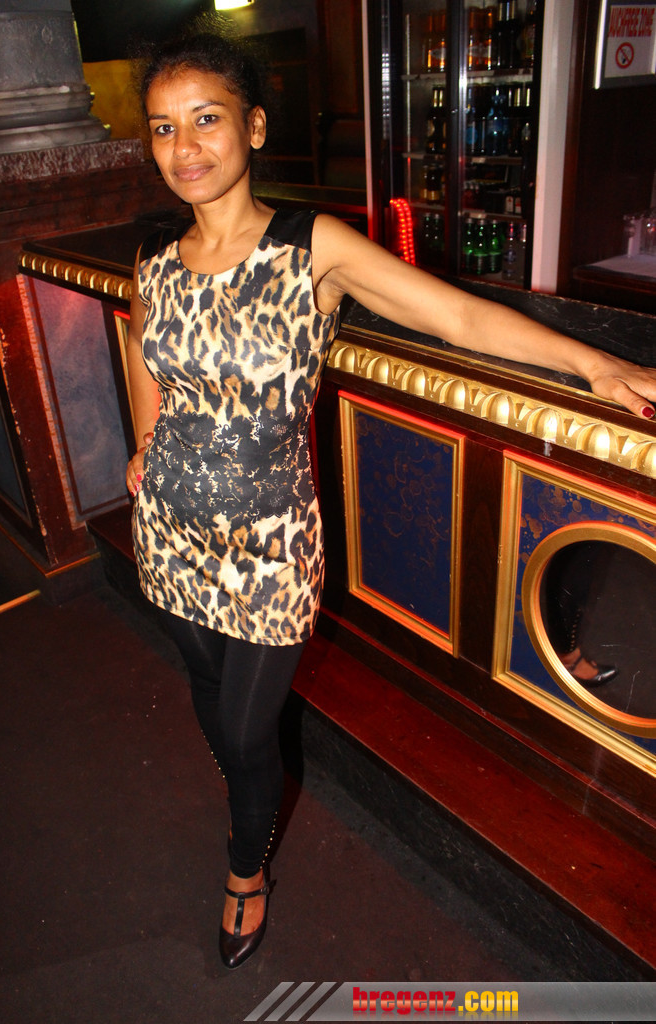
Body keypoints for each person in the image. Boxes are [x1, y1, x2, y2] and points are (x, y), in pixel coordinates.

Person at [124, 28, 656, 970]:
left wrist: (591, 363)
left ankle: (245, 867)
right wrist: (141, 444)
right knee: (210, 698)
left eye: (206, 119)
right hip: (168, 529)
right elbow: (143, 345)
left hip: (271, 542)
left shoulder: (309, 247)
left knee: (246, 728)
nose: (185, 146)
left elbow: (452, 313)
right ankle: (247, 794)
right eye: (163, 128)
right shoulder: (155, 257)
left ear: (253, 126)